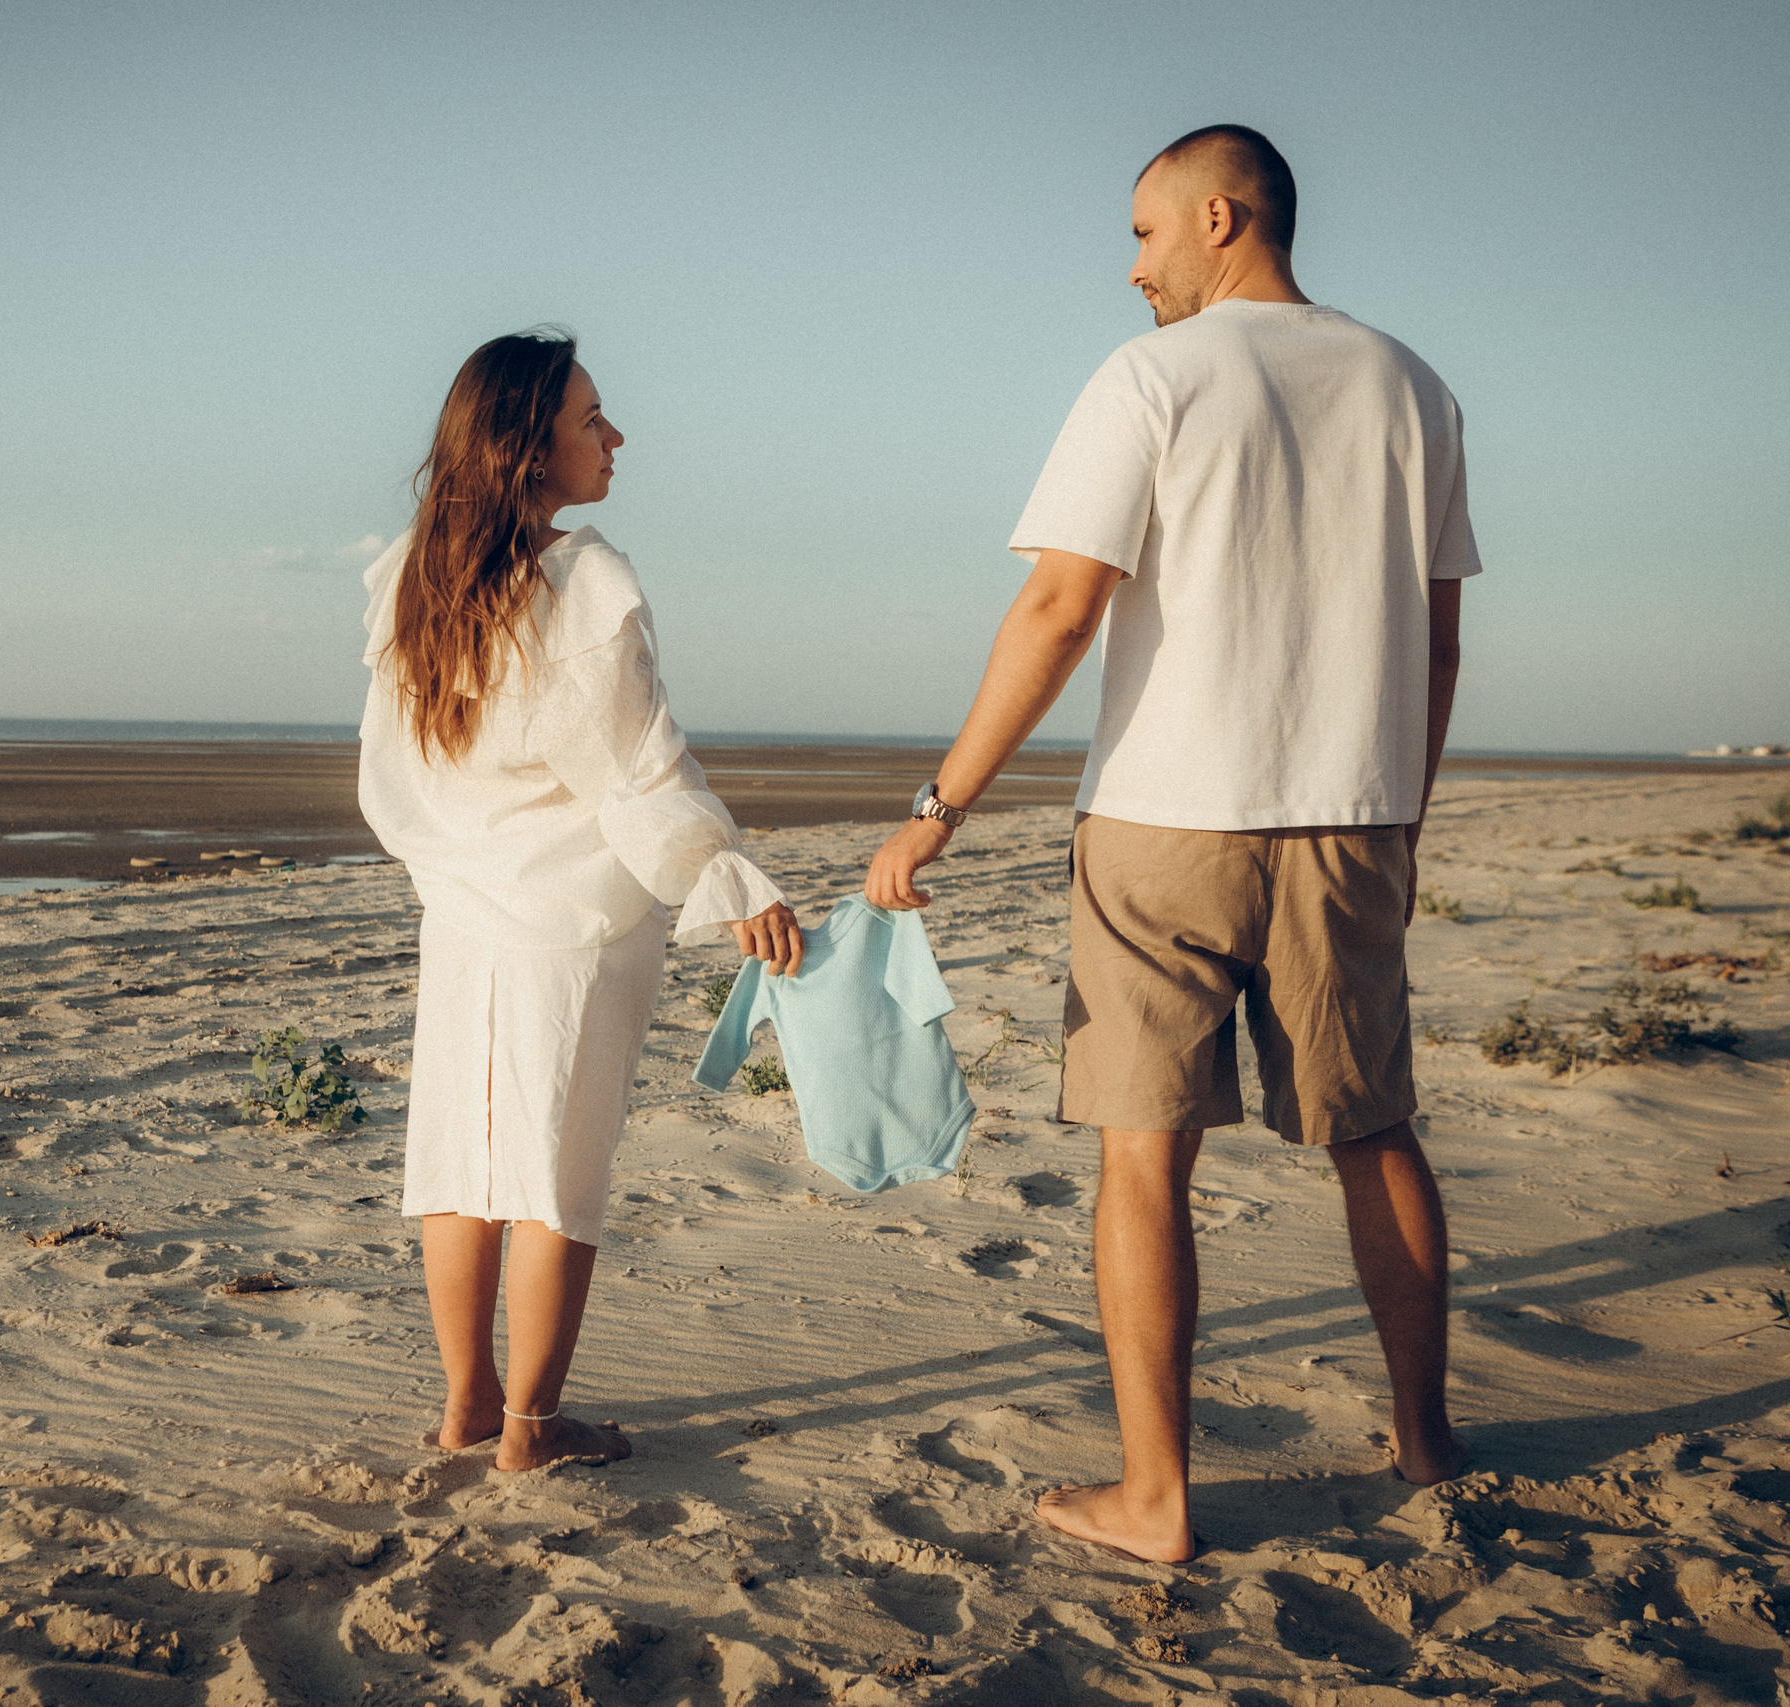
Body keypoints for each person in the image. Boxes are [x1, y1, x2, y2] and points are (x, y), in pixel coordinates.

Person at [864, 125, 1477, 1561]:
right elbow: (1440, 644)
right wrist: (1400, 805)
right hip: (1350, 813)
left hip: (1162, 814)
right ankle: (1428, 1437)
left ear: (1218, 214)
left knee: (1145, 1156)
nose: (1133, 268)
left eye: (1144, 236)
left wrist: (939, 804)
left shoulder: (1152, 376)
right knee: (1374, 1127)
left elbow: (1060, 608)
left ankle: (1156, 1496)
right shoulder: (1412, 384)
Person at [358, 330, 804, 1473]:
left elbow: (396, 776)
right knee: (556, 1175)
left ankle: (468, 1406)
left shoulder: (417, 576)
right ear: (528, 447)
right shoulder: (583, 580)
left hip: (464, 912)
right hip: (571, 925)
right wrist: (726, 882)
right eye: (591, 419)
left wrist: (453, 868)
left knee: (463, 1165)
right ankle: (529, 1431)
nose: (615, 437)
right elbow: (638, 770)